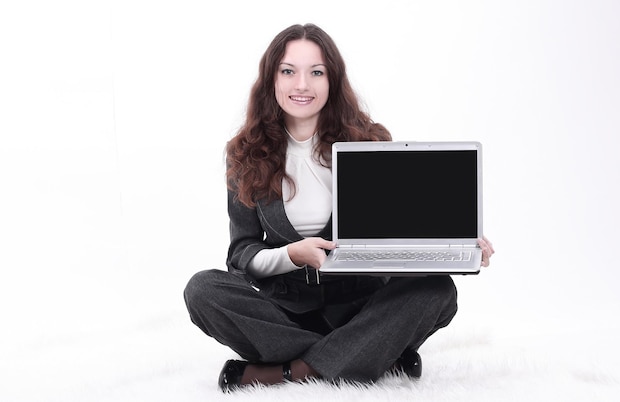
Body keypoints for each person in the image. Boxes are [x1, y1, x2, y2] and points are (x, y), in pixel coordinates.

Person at [184, 23, 495, 392]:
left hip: (360, 305)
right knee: (201, 290)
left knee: (438, 292)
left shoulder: (369, 140)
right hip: (286, 312)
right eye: (289, 71)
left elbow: (397, 228)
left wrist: (452, 242)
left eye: (316, 72)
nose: (303, 85)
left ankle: (288, 372)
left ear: (332, 81)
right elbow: (241, 254)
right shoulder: (245, 154)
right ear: (272, 80)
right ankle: (372, 354)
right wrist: (291, 255)